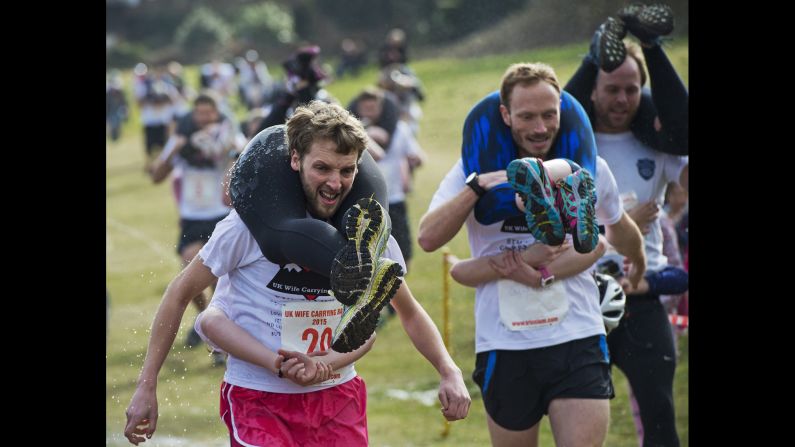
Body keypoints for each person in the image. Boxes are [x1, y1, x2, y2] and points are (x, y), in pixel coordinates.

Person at [124, 101, 470, 446]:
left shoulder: (367, 235)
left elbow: (407, 311)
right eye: (322, 168)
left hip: (337, 394)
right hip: (258, 397)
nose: (335, 183)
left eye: (347, 170)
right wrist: (146, 385)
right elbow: (180, 293)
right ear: (295, 160)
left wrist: (448, 370)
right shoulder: (247, 227)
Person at [418, 62, 646, 447]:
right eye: (527, 116)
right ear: (505, 115)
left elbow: (616, 226)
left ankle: (545, 189)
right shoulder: (471, 170)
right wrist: (478, 189)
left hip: (576, 336)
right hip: (505, 346)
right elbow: (427, 238)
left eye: (549, 114)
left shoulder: (587, 168)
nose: (540, 128)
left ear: (562, 109)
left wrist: (638, 259)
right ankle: (529, 193)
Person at [574, 10, 689, 444]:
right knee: (580, 421)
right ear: (594, 89)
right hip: (579, 293)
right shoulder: (571, 138)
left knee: (660, 415)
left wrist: (654, 50)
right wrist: (623, 226)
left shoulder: (656, 144)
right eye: (611, 90)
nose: (622, 100)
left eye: (631, 90)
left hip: (642, 294)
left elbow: (683, 130)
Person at [148, 91, 244, 359]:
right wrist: (173, 151)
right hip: (192, 217)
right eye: (199, 113)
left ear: (217, 112)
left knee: (215, 277)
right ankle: (204, 319)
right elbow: (156, 176)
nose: (204, 118)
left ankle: (220, 339)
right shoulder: (183, 139)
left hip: (220, 214)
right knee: (189, 270)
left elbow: (242, 154)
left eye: (209, 113)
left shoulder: (227, 134)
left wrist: (228, 150)